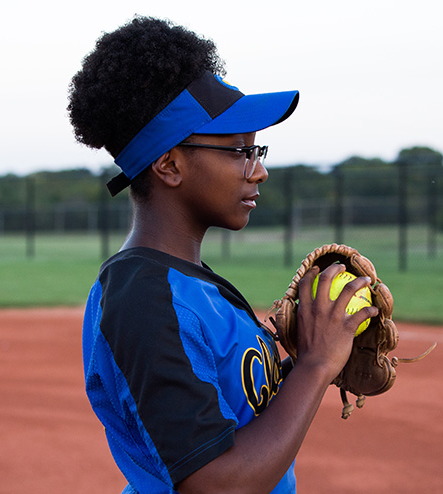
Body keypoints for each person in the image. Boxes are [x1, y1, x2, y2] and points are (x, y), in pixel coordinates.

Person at [69, 16, 378, 494]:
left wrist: (306, 360)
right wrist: (317, 366)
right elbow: (214, 484)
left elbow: (237, 419)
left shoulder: (187, 282)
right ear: (169, 164)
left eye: (258, 150)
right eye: (239, 151)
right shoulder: (145, 299)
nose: (259, 171)